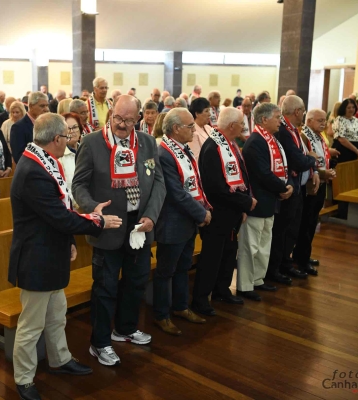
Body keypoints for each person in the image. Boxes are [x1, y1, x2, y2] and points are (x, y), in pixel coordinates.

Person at [9, 112, 121, 400]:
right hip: (36, 259)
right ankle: (23, 379)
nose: (70, 140)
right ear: (56, 139)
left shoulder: (45, 161)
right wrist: (98, 221)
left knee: (57, 315)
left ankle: (60, 359)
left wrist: (70, 240)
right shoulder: (33, 171)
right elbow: (59, 216)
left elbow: (61, 209)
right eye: (67, 136)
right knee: (31, 325)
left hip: (51, 253)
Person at [72, 95, 166, 367]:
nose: (122, 125)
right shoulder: (92, 142)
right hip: (109, 225)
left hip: (140, 225)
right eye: (118, 119)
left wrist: (151, 215)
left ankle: (125, 329)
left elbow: (159, 182)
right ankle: (100, 343)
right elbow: (78, 186)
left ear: (138, 119)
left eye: (128, 120)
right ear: (110, 114)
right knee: (105, 288)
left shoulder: (147, 142)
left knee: (136, 282)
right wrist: (94, 209)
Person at [154, 108, 209, 335]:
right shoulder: (164, 154)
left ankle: (180, 307)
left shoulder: (183, 149)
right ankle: (161, 315)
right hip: (172, 223)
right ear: (176, 128)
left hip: (187, 221)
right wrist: (201, 214)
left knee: (183, 267)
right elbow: (176, 193)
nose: (194, 129)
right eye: (190, 126)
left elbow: (194, 183)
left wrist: (202, 208)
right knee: (165, 272)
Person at [194, 107, 256, 310]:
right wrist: (245, 202)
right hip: (219, 213)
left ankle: (222, 290)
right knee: (212, 257)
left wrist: (244, 202)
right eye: (241, 124)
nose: (243, 127)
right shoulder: (213, 147)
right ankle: (201, 299)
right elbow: (217, 188)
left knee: (229, 254)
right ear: (231, 125)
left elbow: (239, 177)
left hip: (231, 212)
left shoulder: (229, 143)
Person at [239, 103, 293, 301]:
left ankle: (257, 279)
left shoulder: (271, 139)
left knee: (263, 245)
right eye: (277, 117)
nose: (280, 121)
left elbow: (282, 167)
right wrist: (283, 188)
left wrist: (287, 185)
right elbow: (262, 173)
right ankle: (245, 285)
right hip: (258, 201)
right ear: (263, 119)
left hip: (270, 199)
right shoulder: (255, 142)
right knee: (250, 246)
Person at [267, 95, 319, 284]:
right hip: (288, 187)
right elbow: (297, 160)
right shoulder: (284, 131)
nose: (303, 114)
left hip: (297, 186)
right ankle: (278, 267)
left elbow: (301, 156)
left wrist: (310, 164)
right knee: (283, 230)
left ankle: (286, 263)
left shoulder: (293, 130)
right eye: (303, 111)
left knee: (292, 229)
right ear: (297, 111)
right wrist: (311, 159)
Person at [293, 109, 337, 271]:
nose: (323, 123)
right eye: (320, 120)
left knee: (312, 222)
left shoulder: (319, 135)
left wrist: (328, 170)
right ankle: (301, 259)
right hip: (310, 185)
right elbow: (306, 160)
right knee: (307, 223)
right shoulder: (304, 136)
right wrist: (323, 173)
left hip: (320, 182)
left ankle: (304, 254)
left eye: (324, 120)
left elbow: (322, 156)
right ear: (309, 120)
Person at [11, 92, 49, 163]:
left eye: (47, 105)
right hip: (31, 168)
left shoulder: (47, 124)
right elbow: (18, 156)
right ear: (31, 106)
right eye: (42, 106)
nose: (46, 109)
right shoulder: (18, 127)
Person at [59, 112, 82, 207]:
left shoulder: (87, 150)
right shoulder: (59, 157)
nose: (72, 131)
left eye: (75, 127)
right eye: (68, 128)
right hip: (72, 207)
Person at [332, 98, 358, 163]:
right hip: (344, 150)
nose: (351, 109)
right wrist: (356, 150)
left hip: (355, 151)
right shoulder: (340, 119)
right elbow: (341, 138)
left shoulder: (356, 120)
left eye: (353, 107)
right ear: (344, 109)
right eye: (348, 108)